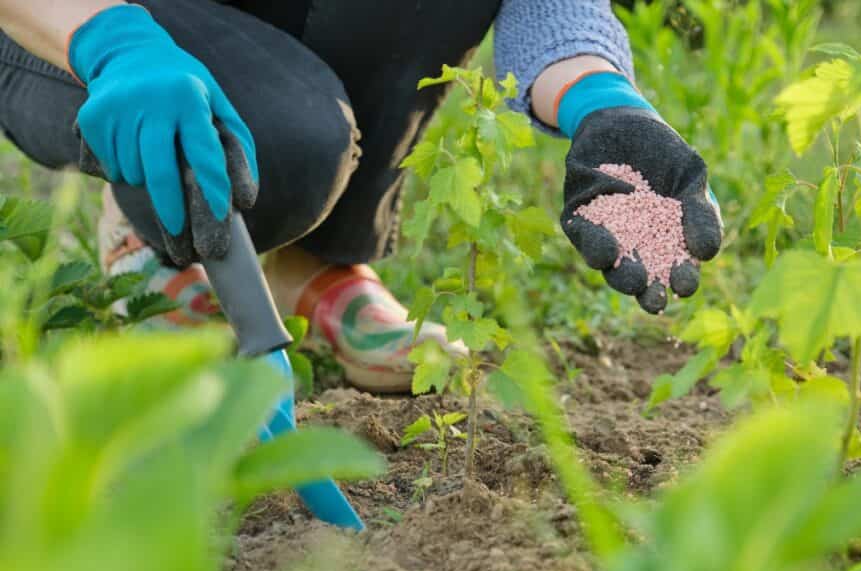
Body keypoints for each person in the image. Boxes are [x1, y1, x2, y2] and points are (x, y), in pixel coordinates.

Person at [0, 0, 723, 394]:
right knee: (283, 147)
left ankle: (316, 258)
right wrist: (112, 38)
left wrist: (603, 105)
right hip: (69, 23)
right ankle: (151, 237)